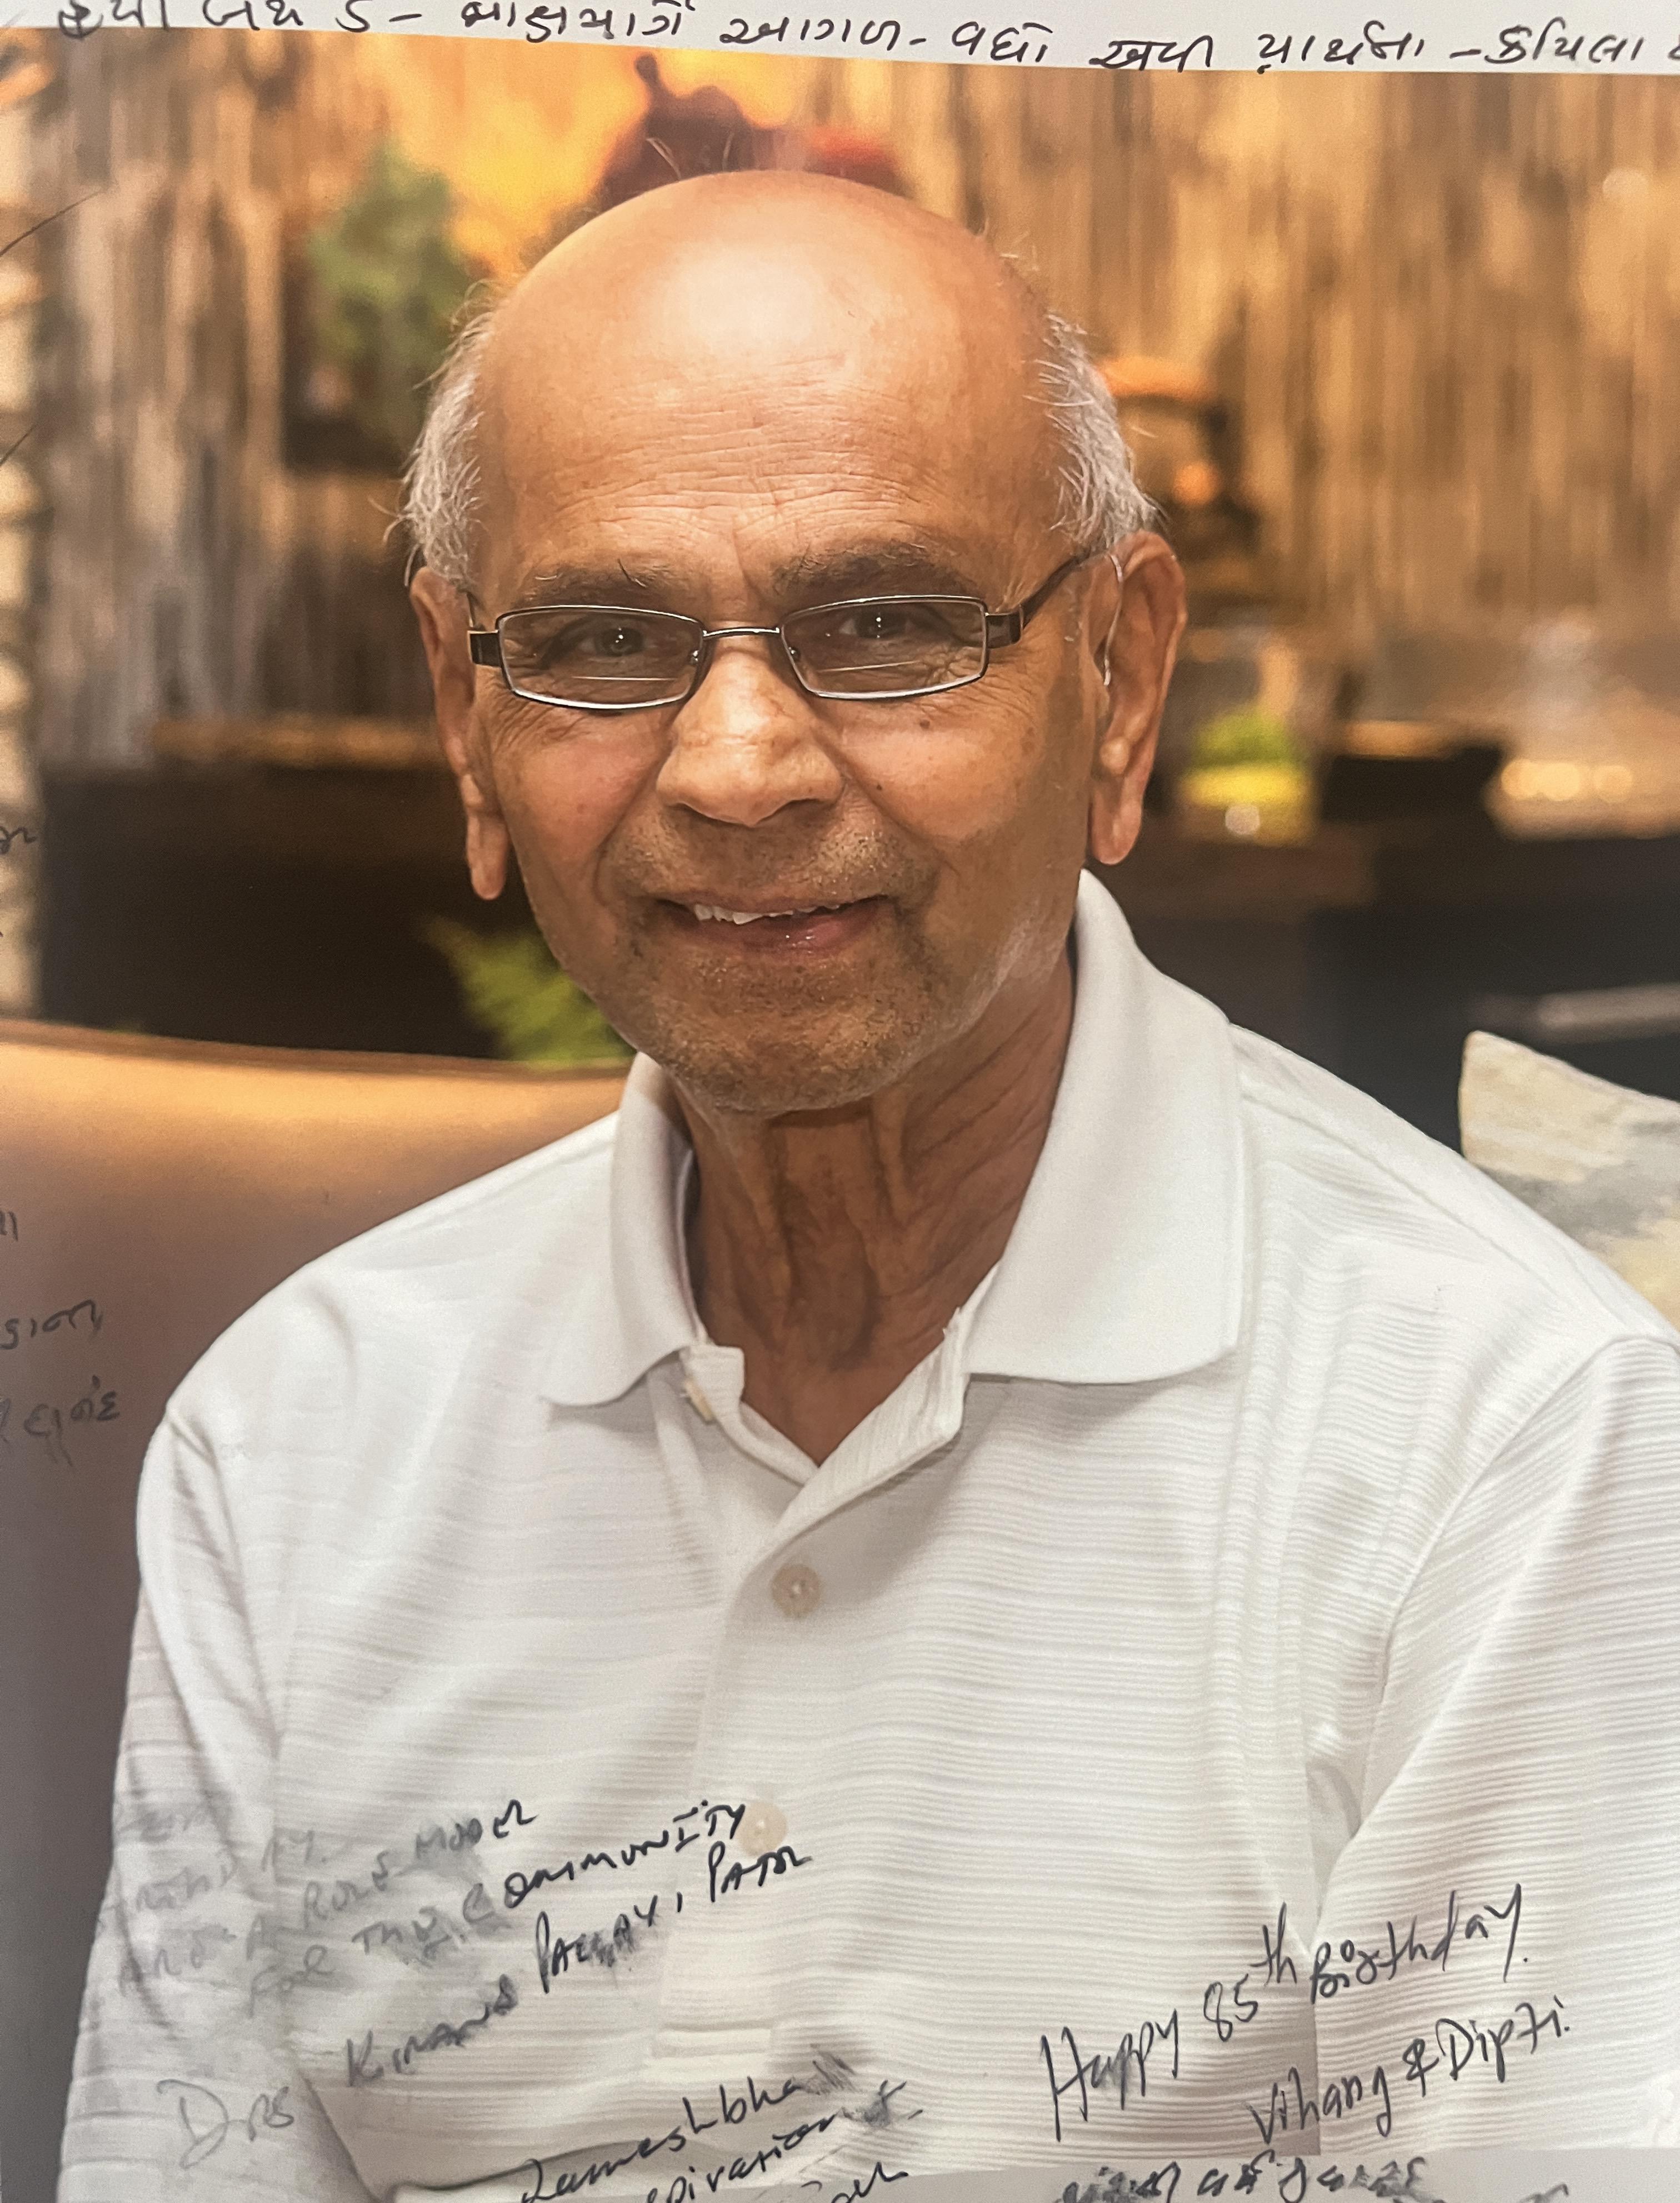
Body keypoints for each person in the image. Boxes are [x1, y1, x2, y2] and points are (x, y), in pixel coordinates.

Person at [61, 171, 1680, 2202]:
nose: (740, 765)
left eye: (890, 627)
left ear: (1121, 681)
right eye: (600, 641)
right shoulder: (298, 1435)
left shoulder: (1507, 1438)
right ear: (472, 729)